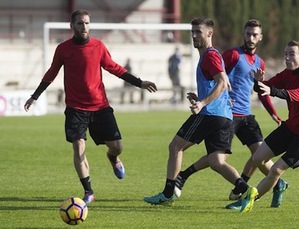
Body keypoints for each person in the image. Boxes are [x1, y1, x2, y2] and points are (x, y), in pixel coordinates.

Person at [23, 9, 157, 204]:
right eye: (80, 23)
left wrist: (139, 82)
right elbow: (51, 73)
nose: (84, 27)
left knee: (117, 147)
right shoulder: (63, 49)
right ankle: (88, 191)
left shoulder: (98, 46)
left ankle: (113, 158)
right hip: (75, 109)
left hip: (100, 106)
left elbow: (115, 68)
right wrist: (34, 96)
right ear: (72, 26)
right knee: (78, 149)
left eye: (86, 23)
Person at [173, 19, 284, 211]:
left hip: (247, 115)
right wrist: (207, 98)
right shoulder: (233, 55)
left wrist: (273, 114)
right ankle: (186, 175)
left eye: (254, 34)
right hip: (228, 113)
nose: (250, 38)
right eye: (248, 33)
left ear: (260, 37)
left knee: (260, 155)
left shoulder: (260, 62)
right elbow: (216, 76)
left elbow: (260, 90)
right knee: (217, 158)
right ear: (243, 34)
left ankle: (274, 183)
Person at [144, 17, 250, 206]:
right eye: (192, 31)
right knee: (216, 162)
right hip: (224, 117)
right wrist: (199, 96)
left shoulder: (210, 55)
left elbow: (222, 82)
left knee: (175, 147)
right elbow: (220, 82)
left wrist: (202, 103)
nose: (193, 35)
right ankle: (246, 190)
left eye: (198, 32)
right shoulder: (209, 56)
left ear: (209, 33)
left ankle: (168, 193)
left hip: (211, 114)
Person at [235, 40, 299, 213]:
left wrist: (273, 91)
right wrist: (258, 82)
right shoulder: (287, 74)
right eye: (285, 54)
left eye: (291, 54)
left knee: (275, 169)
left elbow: (298, 95)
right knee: (257, 158)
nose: (287, 57)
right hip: (290, 128)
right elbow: (266, 87)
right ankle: (279, 186)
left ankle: (250, 199)